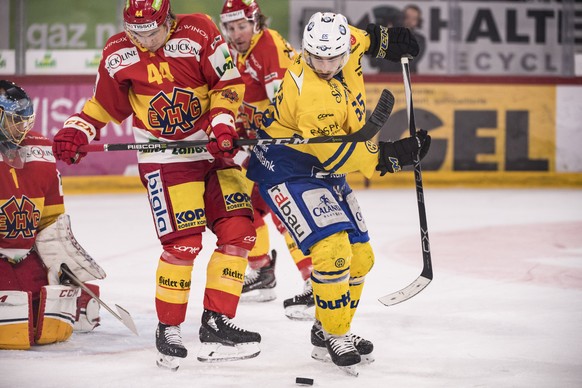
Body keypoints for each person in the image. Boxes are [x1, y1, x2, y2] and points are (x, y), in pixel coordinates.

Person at [51, 0, 261, 370]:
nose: (144, 40)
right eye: (136, 32)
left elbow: (226, 84)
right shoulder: (118, 52)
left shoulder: (200, 30)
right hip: (165, 158)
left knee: (241, 232)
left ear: (168, 19)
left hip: (214, 149)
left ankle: (217, 321)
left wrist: (222, 124)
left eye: (151, 31)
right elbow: (104, 105)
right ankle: (169, 328)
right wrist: (76, 128)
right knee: (183, 245)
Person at [246, 12, 430, 375]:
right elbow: (342, 154)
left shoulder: (346, 41)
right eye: (317, 57)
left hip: (323, 165)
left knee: (362, 258)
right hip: (287, 167)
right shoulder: (309, 92)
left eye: (332, 57)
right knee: (332, 249)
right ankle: (336, 333)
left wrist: (388, 41)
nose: (325, 65)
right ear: (306, 51)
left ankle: (326, 327)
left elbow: (365, 37)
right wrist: (394, 156)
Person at [219, 0, 315, 320]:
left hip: (285, 143)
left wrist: (255, 151)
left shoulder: (268, 46)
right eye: (231, 28)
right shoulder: (238, 52)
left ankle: (315, 280)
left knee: (285, 211)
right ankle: (262, 272)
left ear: (255, 22)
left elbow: (283, 107)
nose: (237, 33)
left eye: (242, 26)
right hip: (264, 141)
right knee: (245, 205)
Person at [0, 80, 105, 350]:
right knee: (13, 318)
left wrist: (61, 261)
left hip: (23, 252)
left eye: (25, 120)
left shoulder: (39, 151)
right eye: (15, 121)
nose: (22, 127)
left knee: (45, 320)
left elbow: (50, 221)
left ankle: (73, 300)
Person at [403, 4, 426, 73]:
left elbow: (411, 61)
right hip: (384, 77)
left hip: (409, 76)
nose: (409, 21)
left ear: (418, 21)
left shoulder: (419, 39)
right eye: (407, 17)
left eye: (414, 19)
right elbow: (374, 62)